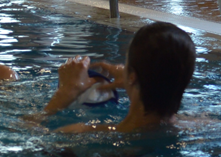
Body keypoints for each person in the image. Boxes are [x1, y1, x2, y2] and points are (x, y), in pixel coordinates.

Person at [40, 22, 195, 133]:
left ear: (132, 76)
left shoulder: (80, 134)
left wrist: (64, 94)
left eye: (126, 61)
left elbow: (28, 142)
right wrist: (135, 81)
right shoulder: (197, 126)